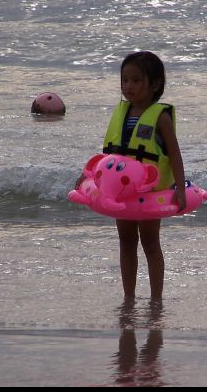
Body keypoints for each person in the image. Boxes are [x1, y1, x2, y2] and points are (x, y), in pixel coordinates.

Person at [75, 51, 186, 301]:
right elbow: (109, 156)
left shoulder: (161, 117)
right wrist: (87, 176)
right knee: (126, 241)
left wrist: (180, 188)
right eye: (125, 80)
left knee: (150, 243)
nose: (128, 86)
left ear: (155, 84)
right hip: (121, 192)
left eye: (136, 80)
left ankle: (156, 298)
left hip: (149, 193)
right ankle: (129, 298)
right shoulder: (121, 112)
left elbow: (175, 155)